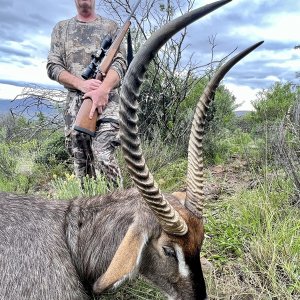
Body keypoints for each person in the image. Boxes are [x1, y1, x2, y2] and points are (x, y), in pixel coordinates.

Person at [47, 0, 127, 188]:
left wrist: (102, 89)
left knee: (103, 154)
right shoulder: (61, 28)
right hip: (76, 107)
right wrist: (82, 84)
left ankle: (119, 210)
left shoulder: (111, 27)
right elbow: (53, 66)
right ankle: (89, 212)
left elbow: (120, 64)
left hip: (107, 103)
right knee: (82, 165)